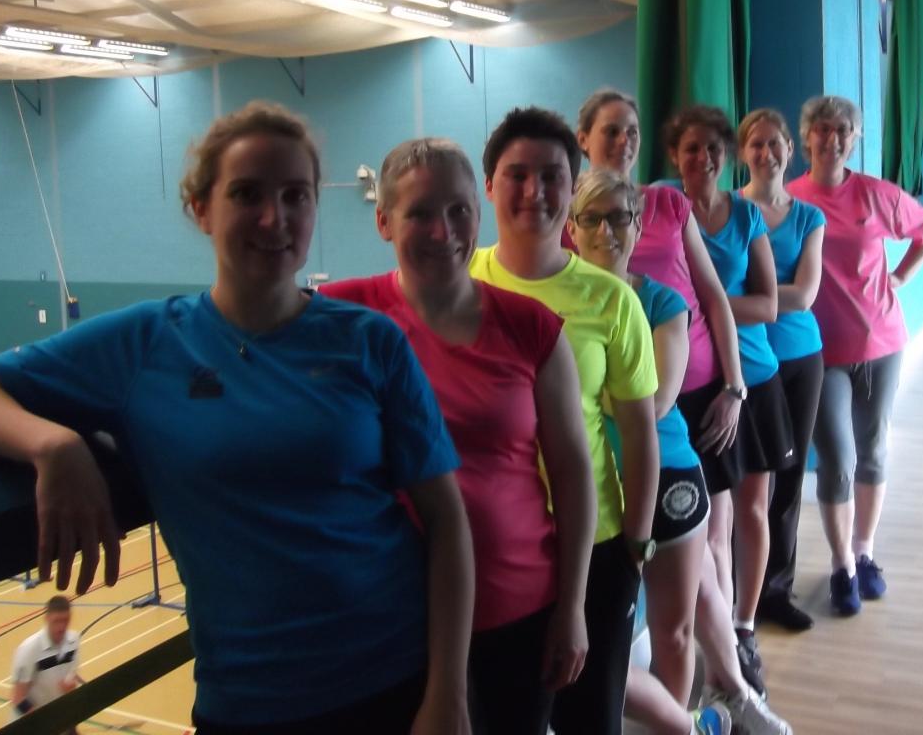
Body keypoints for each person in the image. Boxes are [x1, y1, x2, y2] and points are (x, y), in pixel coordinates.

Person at [0, 101, 476, 734]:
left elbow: (446, 522)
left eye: (295, 195)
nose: (274, 217)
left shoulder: (369, 340)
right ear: (200, 208)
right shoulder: (146, 344)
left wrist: (448, 694)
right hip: (247, 699)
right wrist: (51, 445)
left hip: (397, 682)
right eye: (247, 194)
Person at [320, 137, 596, 735]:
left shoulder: (531, 327)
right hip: (389, 619)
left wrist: (572, 606)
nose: (443, 232)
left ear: (478, 212)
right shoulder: (341, 316)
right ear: (383, 221)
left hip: (518, 610)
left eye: (459, 211)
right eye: (420, 212)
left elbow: (573, 475)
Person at [570, 169, 794, 735]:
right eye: (592, 219)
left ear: (637, 225)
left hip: (666, 472)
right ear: (571, 228)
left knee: (675, 629)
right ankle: (715, 708)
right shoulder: (556, 299)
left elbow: (656, 401)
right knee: (588, 645)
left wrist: (583, 392)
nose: (606, 231)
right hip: (587, 485)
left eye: (619, 217)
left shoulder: (662, 301)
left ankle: (701, 713)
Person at [470, 106, 658, 735]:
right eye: (517, 175)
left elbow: (639, 434)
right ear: (489, 185)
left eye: (552, 176)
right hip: (494, 549)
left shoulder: (611, 300)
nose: (535, 191)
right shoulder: (460, 283)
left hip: (597, 544)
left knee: (591, 720)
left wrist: (635, 548)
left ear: (571, 188)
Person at [787, 95, 923, 616]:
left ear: (854, 140)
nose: (832, 139)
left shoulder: (876, 194)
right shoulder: (791, 200)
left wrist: (900, 276)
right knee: (837, 457)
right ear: (807, 136)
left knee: (872, 449)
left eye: (843, 131)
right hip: (819, 350)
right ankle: (841, 566)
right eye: (823, 129)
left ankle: (865, 553)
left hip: (880, 344)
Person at [665, 105, 792, 693]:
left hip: (753, 379)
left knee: (753, 512)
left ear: (728, 156)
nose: (704, 158)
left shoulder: (745, 216)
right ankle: (718, 651)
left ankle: (744, 627)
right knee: (713, 525)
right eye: (692, 148)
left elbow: (768, 304)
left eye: (714, 148)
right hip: (696, 386)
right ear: (674, 156)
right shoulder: (663, 209)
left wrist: (703, 303)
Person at [575, 90, 746, 488]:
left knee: (711, 516)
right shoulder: (574, 217)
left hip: (698, 385)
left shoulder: (668, 202)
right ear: (583, 138)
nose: (624, 141)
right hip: (618, 399)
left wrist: (734, 387)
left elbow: (713, 296)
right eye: (611, 131)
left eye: (633, 131)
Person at [738, 109, 826, 632]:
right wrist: (769, 299)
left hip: (798, 360)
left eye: (775, 144)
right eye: (756, 144)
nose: (766, 153)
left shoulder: (809, 217)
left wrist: (744, 300)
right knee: (747, 482)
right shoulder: (729, 212)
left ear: (790, 151)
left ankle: (776, 589)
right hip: (744, 360)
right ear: (742, 153)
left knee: (788, 478)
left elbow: (805, 295)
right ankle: (740, 594)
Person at [10, 594, 81, 733]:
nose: (62, 626)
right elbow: (17, 698)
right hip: (32, 726)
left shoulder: (74, 640)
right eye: (57, 621)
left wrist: (70, 687)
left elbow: (70, 677)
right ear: (47, 618)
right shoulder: (29, 649)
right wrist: (42, 723)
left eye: (66, 620)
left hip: (60, 721)